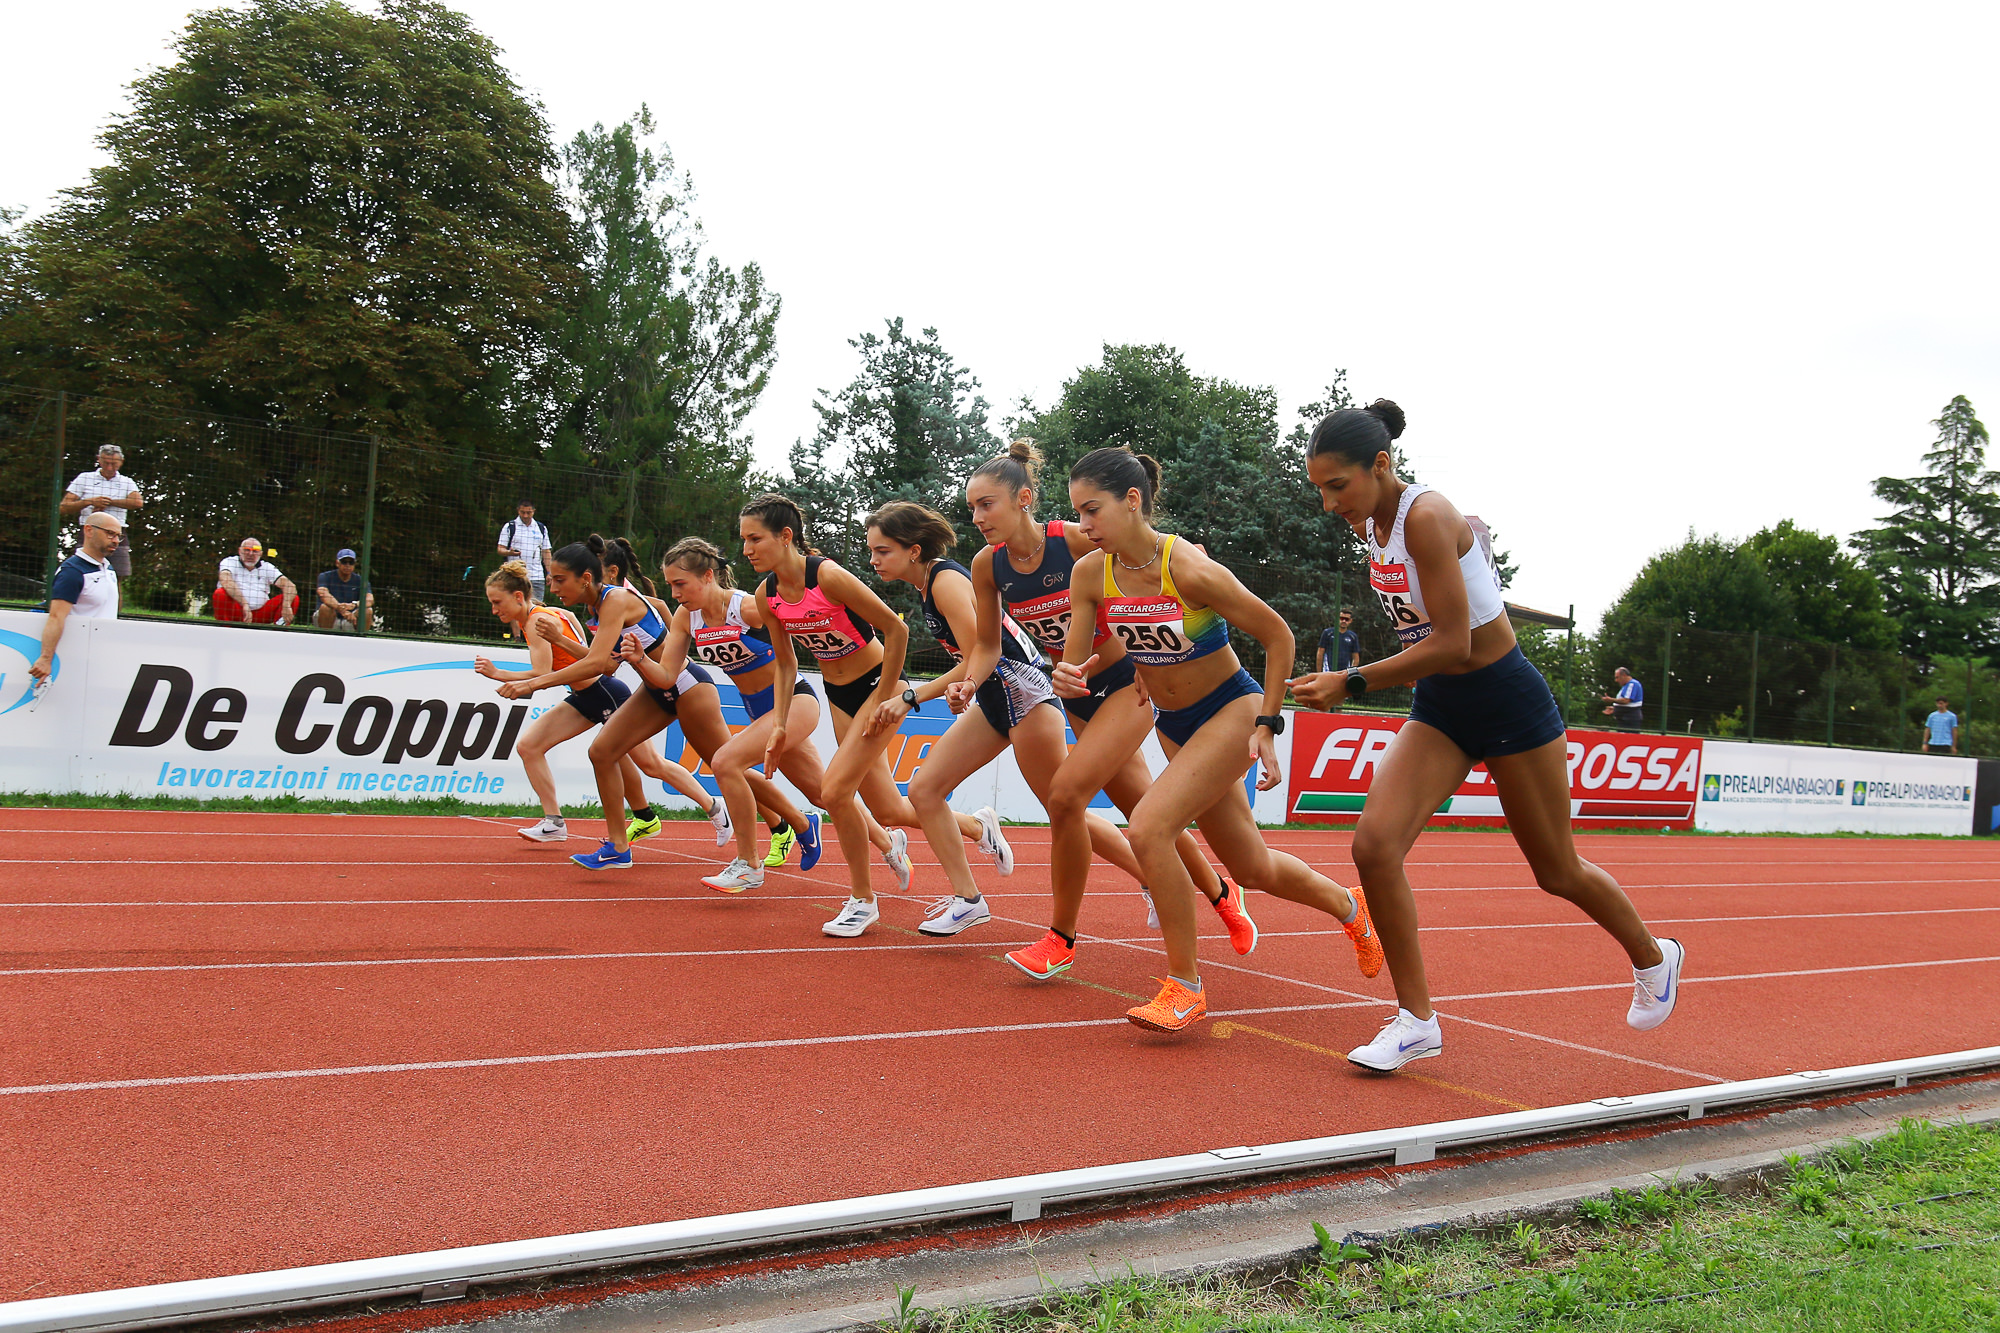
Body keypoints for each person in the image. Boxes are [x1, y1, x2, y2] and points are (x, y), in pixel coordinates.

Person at [1290, 399, 1682, 1071]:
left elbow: (1454, 641)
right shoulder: (1373, 526)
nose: (1328, 503)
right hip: (1444, 704)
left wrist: (1350, 681)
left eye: (1337, 486)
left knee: (1556, 870)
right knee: (1374, 847)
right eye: (1319, 489)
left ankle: (1654, 956)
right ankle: (1416, 1021)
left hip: (1505, 699)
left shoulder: (1426, 516)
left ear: (1380, 464)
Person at [1048, 446, 1384, 1032]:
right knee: (1251, 867)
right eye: (1078, 512)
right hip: (1174, 724)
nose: (1084, 524)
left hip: (1230, 709)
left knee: (1149, 827)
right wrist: (1067, 674)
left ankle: (1185, 986)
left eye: (1092, 510)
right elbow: (1075, 659)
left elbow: (1278, 637)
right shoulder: (1089, 573)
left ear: (1133, 501)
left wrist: (1268, 724)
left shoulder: (1188, 567)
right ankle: (1350, 906)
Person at [965, 439, 1258, 979]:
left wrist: (1109, 662)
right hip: (1077, 693)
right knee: (1144, 809)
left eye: (987, 505)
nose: (978, 518)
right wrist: (969, 682)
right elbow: (986, 644)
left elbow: (1147, 584)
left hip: (1129, 683)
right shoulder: (988, 566)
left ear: (1023, 499)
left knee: (1065, 795)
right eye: (972, 508)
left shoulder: (1077, 540)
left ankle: (1061, 938)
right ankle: (1222, 893)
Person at [867, 499, 1151, 938]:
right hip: (993, 698)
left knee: (1064, 811)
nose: (873, 560)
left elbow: (977, 655)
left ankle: (1155, 878)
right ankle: (968, 901)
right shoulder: (928, 586)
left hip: (1024, 692)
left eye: (882, 550)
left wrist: (911, 696)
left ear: (913, 550)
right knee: (925, 790)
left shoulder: (946, 582)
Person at [744, 493, 995, 938]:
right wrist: (779, 723)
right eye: (743, 540)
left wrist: (884, 696)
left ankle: (862, 901)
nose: (746, 549)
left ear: (785, 537)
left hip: (879, 684)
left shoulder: (827, 576)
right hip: (838, 694)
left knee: (834, 791)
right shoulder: (767, 595)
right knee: (887, 808)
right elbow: (785, 664)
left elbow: (896, 629)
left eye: (754, 539)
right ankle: (978, 826)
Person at [651, 535, 908, 891]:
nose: (675, 593)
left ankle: (749, 864)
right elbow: (667, 676)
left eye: (680, 584)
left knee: (725, 762)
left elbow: (797, 627)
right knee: (824, 794)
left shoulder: (746, 608)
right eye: (670, 585)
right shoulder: (686, 618)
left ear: (708, 576)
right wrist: (637, 658)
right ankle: (888, 842)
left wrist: (830, 622)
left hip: (794, 702)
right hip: (758, 711)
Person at [30, 511, 123, 686]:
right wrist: (46, 658)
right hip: (76, 660)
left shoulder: (108, 568)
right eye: (110, 533)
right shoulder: (72, 572)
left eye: (119, 536)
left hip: (102, 657)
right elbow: (56, 617)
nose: (116, 540)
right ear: (89, 530)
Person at [60, 444, 142, 578]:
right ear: (98, 459)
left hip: (117, 533)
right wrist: (90, 502)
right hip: (89, 532)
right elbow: (64, 507)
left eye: (113, 464)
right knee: (82, 573)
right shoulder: (84, 478)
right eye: (105, 463)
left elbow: (137, 502)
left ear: (121, 461)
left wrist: (108, 502)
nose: (109, 467)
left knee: (117, 576)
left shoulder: (127, 482)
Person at [212, 538, 297, 625]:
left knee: (293, 597)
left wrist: (286, 605)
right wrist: (244, 604)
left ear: (261, 553)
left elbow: (289, 585)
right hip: (236, 611)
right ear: (239, 551)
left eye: (255, 551)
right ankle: (225, 627)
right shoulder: (229, 562)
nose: (250, 554)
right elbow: (226, 580)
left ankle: (279, 628)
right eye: (246, 550)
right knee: (220, 593)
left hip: (261, 614)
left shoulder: (267, 567)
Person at [498, 501, 554, 604]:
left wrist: (550, 573)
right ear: (518, 511)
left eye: (528, 513)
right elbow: (500, 549)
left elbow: (546, 551)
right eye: (522, 512)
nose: (525, 515)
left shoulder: (541, 528)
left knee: (537, 606)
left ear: (533, 511)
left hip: (537, 576)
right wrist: (510, 552)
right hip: (516, 575)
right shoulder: (510, 526)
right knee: (515, 605)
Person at [314, 549, 373, 631]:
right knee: (325, 608)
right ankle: (325, 635)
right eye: (344, 562)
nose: (347, 565)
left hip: (351, 618)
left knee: (368, 611)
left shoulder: (361, 580)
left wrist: (354, 605)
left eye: (351, 562)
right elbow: (323, 594)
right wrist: (340, 608)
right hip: (330, 617)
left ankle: (362, 637)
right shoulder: (325, 576)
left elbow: (370, 599)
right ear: (337, 563)